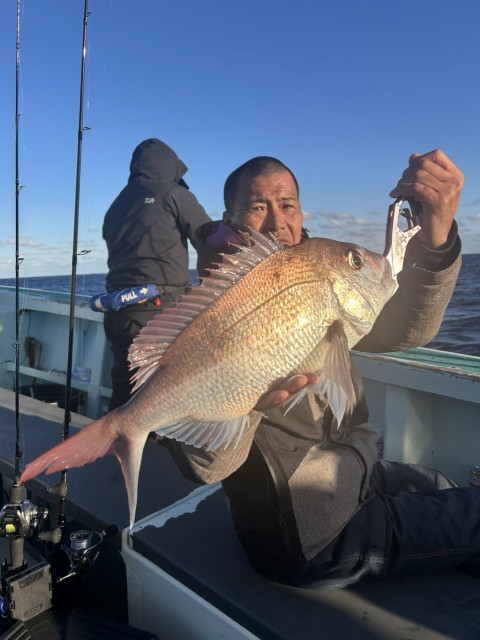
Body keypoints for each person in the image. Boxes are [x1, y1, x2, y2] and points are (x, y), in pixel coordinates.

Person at [162, 149, 480, 589]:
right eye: (257, 207)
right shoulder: (208, 318)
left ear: (301, 213)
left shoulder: (317, 287)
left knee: (444, 486)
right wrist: (245, 401)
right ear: (230, 220)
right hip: (313, 535)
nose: (277, 222)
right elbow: (207, 467)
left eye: (287, 205)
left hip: (359, 474)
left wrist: (437, 238)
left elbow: (409, 328)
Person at [102, 138, 211, 410]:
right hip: (159, 313)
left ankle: (114, 437)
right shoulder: (174, 194)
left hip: (118, 314)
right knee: (163, 398)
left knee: (124, 393)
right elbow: (210, 240)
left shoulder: (115, 206)